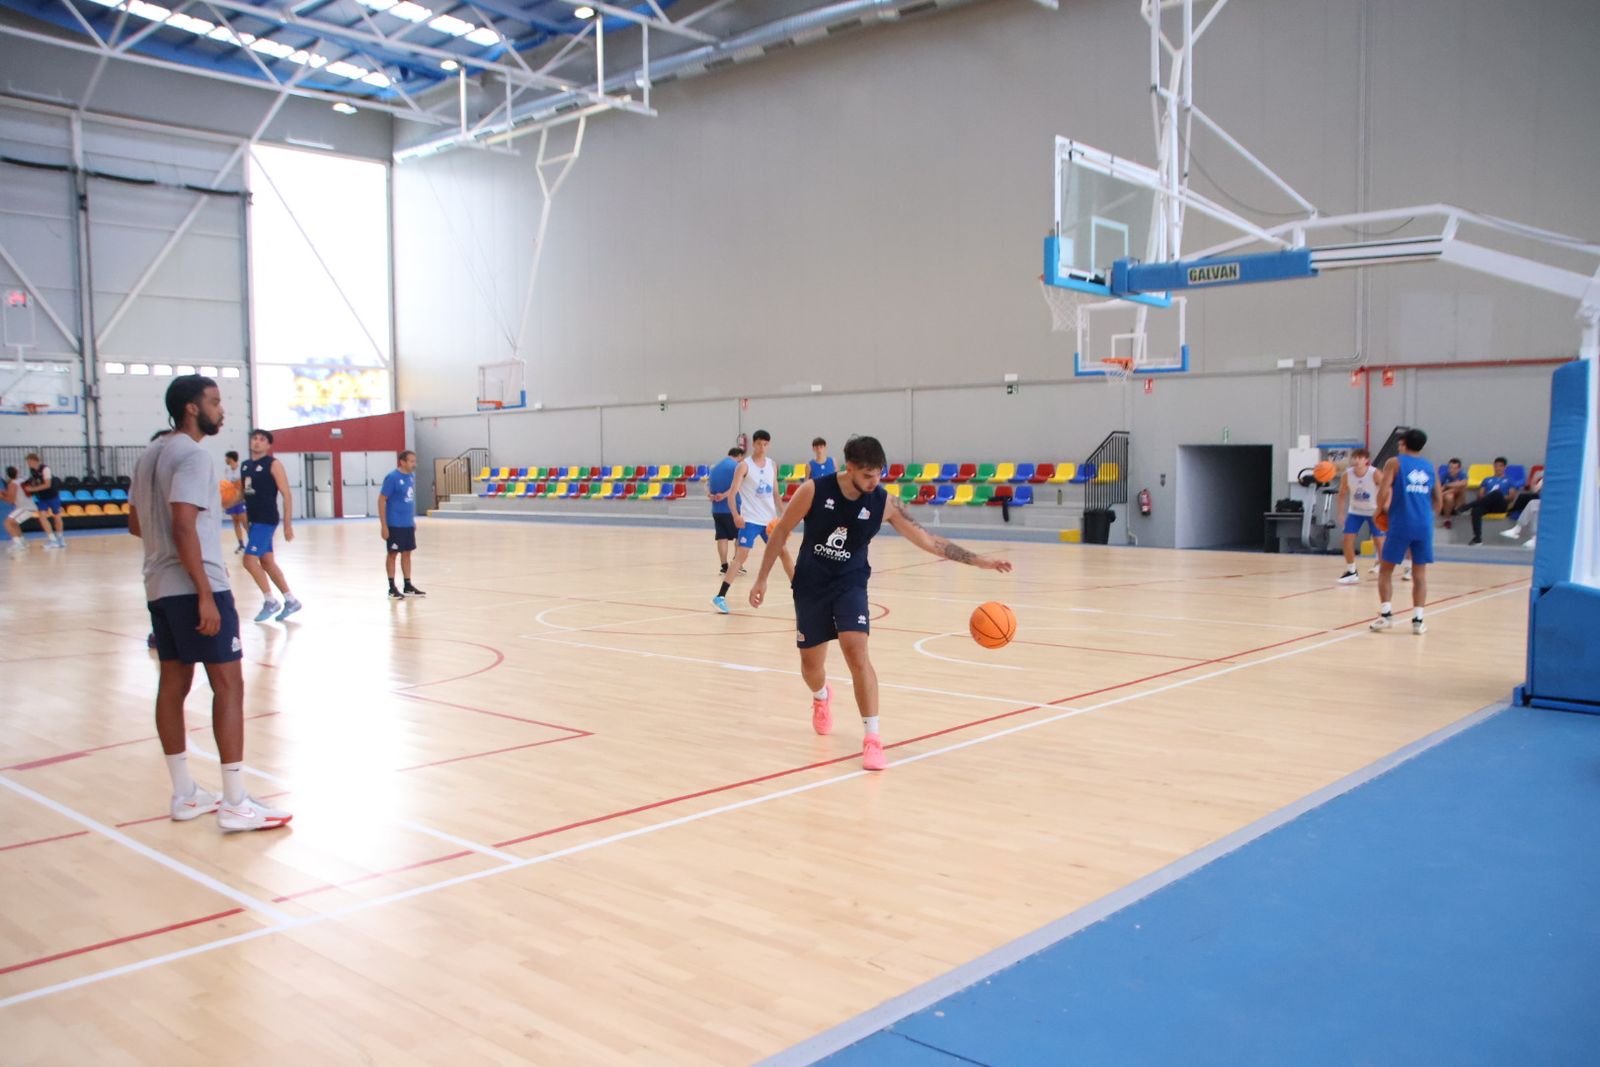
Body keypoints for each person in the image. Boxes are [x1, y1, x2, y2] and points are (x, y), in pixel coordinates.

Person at [748, 435, 1012, 770]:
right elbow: (782, 531)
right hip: (811, 584)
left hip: (850, 583)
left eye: (879, 475)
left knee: (856, 651)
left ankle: (872, 738)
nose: (875, 482)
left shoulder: (884, 502)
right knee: (812, 668)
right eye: (868, 476)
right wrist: (761, 579)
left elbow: (929, 541)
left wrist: (979, 561)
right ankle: (821, 696)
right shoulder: (814, 491)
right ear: (850, 468)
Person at [128, 374, 290, 832]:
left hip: (158, 585)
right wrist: (203, 592)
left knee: (173, 684)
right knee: (229, 686)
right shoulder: (195, 456)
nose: (223, 410)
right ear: (192, 408)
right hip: (196, 585)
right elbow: (183, 526)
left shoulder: (148, 456)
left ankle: (185, 795)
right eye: (216, 402)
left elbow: (135, 524)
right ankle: (236, 802)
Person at [713, 430, 794, 614]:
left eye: (765, 444)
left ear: (769, 445)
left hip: (770, 521)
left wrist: (785, 516)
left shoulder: (772, 465)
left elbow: (775, 493)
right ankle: (720, 596)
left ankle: (800, 592)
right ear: (754, 444)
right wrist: (735, 515)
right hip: (750, 519)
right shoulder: (744, 466)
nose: (762, 447)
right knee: (741, 557)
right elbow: (732, 493)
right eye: (759, 444)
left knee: (784, 553)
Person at [1371, 428, 1440, 636]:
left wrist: (1379, 510)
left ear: (1402, 444)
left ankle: (1386, 616)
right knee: (1420, 574)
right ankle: (1418, 621)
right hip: (1423, 524)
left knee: (1385, 571)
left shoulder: (1395, 462)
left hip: (1401, 522)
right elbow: (1439, 500)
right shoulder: (1430, 467)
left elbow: (1384, 490)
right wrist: (1428, 517)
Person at [239, 429, 302, 623]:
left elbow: (286, 494)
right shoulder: (245, 466)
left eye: (262, 440)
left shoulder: (273, 464)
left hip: (267, 519)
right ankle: (291, 600)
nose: (257, 442)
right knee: (266, 562)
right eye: (254, 439)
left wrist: (287, 525)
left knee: (249, 561)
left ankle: (270, 600)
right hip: (254, 520)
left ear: (268, 445)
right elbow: (245, 494)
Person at [1335, 448, 1388, 584]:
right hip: (1355, 511)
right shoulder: (1347, 474)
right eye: (1356, 458)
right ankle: (1351, 570)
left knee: (1379, 541)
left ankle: (1384, 570)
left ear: (1366, 460)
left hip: (1374, 510)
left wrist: (1385, 507)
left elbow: (1387, 489)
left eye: (1361, 458)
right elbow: (1341, 495)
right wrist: (1340, 513)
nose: (1358, 460)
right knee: (1347, 539)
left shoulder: (1374, 473)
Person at [380, 450, 425, 600]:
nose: (414, 464)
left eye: (414, 461)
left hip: (407, 524)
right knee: (393, 554)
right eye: (411, 461)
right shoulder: (392, 478)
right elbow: (381, 500)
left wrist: (411, 521)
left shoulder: (411, 477)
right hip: (394, 524)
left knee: (407, 553)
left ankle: (408, 585)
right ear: (402, 462)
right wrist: (384, 526)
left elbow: (407, 501)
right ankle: (392, 587)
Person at [707, 445, 744, 576]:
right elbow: (737, 486)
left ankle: (724, 566)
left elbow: (707, 487)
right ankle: (737, 564)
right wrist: (724, 495)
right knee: (740, 537)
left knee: (721, 537)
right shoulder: (736, 467)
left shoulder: (714, 467)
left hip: (717, 509)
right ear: (739, 456)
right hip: (732, 508)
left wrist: (712, 495)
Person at [1467, 456, 1517, 545]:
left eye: (1500, 466)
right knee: (1476, 510)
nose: (1498, 468)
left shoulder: (1509, 480)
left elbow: (1511, 497)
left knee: (1497, 493)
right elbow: (1480, 495)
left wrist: (1498, 497)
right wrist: (1489, 498)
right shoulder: (1487, 479)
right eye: (1496, 466)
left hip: (1501, 505)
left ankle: (1467, 506)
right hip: (1488, 505)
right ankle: (1477, 538)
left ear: (1505, 467)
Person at [23, 453, 65, 549]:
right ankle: (52, 539)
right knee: (42, 517)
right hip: (42, 497)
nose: (28, 463)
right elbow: (35, 480)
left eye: (29, 461)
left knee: (57, 516)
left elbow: (47, 484)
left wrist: (33, 489)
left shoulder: (45, 469)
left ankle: (60, 538)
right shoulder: (32, 471)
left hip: (52, 495)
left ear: (34, 460)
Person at [4, 465, 34, 555]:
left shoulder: (12, 484)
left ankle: (18, 544)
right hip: (28, 506)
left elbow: (11, 500)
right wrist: (4, 493)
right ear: (17, 472)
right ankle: (22, 542)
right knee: (14, 523)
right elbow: (18, 493)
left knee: (7, 523)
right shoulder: (22, 480)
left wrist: (2, 497)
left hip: (25, 507)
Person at [223, 449, 248, 553]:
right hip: (232, 499)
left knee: (245, 522)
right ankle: (241, 544)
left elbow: (243, 484)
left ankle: (253, 544)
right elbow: (227, 484)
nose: (225, 459)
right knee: (235, 522)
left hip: (241, 499)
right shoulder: (227, 470)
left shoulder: (241, 469)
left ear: (230, 458)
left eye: (226, 458)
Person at [1438, 458, 1469, 525]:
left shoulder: (1462, 474)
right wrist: (1452, 487)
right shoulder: (1444, 475)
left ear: (1459, 469)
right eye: (1450, 468)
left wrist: (1447, 485)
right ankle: (1447, 519)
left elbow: (1464, 483)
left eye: (1455, 468)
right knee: (1449, 496)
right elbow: (1438, 490)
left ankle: (1457, 509)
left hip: (1457, 501)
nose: (1452, 470)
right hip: (1445, 503)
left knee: (1462, 488)